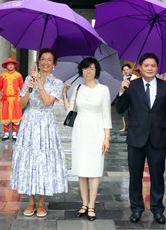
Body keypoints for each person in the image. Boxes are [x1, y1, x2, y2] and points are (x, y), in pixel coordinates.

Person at [115, 52, 166, 224]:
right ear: (140, 68)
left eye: (153, 65)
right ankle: (136, 208)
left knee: (158, 175)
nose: (150, 68)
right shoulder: (132, 85)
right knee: (135, 176)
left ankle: (157, 209)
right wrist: (121, 91)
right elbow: (119, 109)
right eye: (146, 65)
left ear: (157, 68)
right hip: (136, 137)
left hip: (158, 137)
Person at [10, 48, 67, 218]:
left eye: (49, 60)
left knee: (44, 161)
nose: (46, 62)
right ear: (38, 61)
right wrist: (29, 89)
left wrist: (40, 85)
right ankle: (31, 201)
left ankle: (42, 202)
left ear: (54, 63)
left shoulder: (57, 82)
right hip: (29, 123)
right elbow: (21, 104)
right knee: (30, 160)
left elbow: (48, 102)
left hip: (46, 124)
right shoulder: (29, 79)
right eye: (43, 59)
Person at [62, 57, 112, 221]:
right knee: (82, 170)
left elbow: (106, 114)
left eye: (91, 68)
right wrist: (64, 94)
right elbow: (70, 110)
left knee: (94, 169)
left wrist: (106, 138)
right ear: (81, 71)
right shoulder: (77, 88)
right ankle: (84, 204)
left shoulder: (103, 89)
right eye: (85, 68)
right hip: (80, 130)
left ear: (96, 71)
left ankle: (91, 205)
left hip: (96, 130)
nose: (88, 71)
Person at [0, 57, 23, 141]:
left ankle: (14, 134)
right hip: (5, 100)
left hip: (15, 99)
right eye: (9, 64)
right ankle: (6, 134)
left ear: (14, 65)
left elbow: (22, 86)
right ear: (6, 66)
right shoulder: (3, 75)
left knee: (16, 116)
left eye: (12, 64)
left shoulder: (18, 75)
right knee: (5, 116)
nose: (10, 66)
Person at [119, 63, 137, 135]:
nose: (126, 71)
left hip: (133, 99)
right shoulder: (122, 78)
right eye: (124, 70)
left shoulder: (134, 77)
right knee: (125, 114)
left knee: (133, 114)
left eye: (127, 69)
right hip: (125, 99)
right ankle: (126, 129)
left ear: (130, 70)